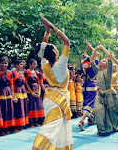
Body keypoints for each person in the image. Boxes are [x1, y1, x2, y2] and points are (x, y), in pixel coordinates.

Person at [33, 17, 73, 150]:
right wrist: (52, 27)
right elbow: (66, 41)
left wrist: (47, 32)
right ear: (56, 53)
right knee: (51, 127)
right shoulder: (61, 64)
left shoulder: (44, 64)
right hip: (60, 98)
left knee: (54, 125)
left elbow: (44, 46)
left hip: (50, 98)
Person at [90, 45, 118, 136]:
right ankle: (102, 130)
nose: (101, 61)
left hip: (110, 94)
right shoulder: (97, 71)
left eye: (103, 61)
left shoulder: (108, 71)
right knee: (99, 110)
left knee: (112, 113)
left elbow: (109, 56)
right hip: (100, 94)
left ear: (107, 64)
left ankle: (115, 127)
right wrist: (95, 49)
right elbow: (91, 61)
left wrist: (102, 47)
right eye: (101, 60)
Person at [78, 43, 99, 131]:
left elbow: (83, 58)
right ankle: (82, 120)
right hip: (92, 85)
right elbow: (97, 55)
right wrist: (91, 47)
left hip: (85, 85)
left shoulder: (82, 66)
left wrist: (86, 50)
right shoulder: (92, 65)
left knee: (87, 103)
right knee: (90, 104)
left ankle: (90, 119)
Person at [0, 58, 16, 135]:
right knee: (2, 111)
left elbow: (11, 84)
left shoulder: (9, 73)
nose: (4, 65)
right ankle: (1, 129)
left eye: (6, 63)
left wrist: (13, 95)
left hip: (8, 93)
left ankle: (7, 127)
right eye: (2, 63)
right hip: (0, 93)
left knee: (9, 111)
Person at [24, 59, 44, 127]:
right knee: (31, 107)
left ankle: (37, 121)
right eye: (34, 64)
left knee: (38, 106)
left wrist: (39, 92)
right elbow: (26, 83)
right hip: (30, 91)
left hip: (37, 90)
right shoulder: (26, 72)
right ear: (30, 64)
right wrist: (31, 92)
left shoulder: (36, 72)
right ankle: (31, 122)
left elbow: (39, 82)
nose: (36, 65)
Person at [12, 59, 29, 131]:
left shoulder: (22, 73)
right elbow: (12, 84)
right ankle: (15, 126)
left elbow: (25, 83)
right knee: (18, 109)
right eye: (21, 64)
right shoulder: (13, 73)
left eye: (23, 64)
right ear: (16, 65)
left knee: (22, 109)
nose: (23, 66)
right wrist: (13, 95)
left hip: (23, 92)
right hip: (17, 92)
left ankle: (20, 125)